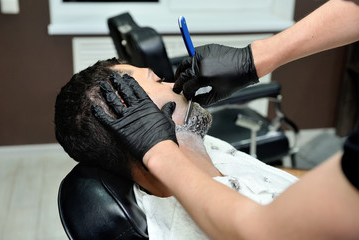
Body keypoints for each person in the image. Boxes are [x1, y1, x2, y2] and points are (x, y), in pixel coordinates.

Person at [93, 0, 359, 239]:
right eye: (159, 80)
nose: (174, 82)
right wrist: (254, 58)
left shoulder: (214, 152)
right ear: (137, 124)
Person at [55, 58, 298, 239]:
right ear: (136, 119)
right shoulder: (188, 230)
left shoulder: (198, 145)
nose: (176, 85)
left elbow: (273, 179)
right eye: (159, 81)